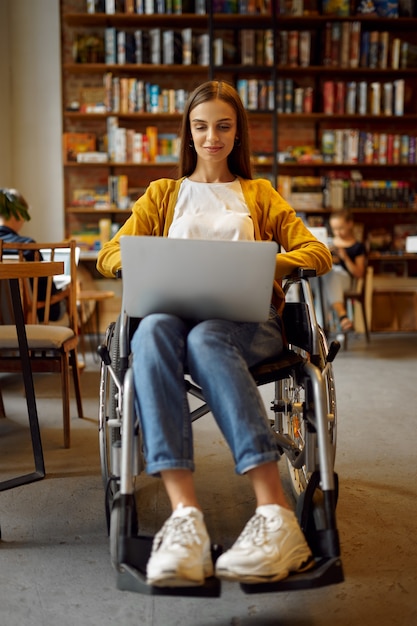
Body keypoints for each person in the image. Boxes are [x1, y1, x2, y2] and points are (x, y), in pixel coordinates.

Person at [97, 81, 332, 587]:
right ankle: (186, 521)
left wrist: (269, 264)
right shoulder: (163, 195)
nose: (212, 137)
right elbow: (110, 254)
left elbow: (317, 253)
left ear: (237, 133)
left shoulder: (259, 194)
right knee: (152, 331)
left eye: (223, 126)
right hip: (172, 320)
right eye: (201, 126)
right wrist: (144, 261)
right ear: (188, 132)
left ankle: (275, 517)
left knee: (206, 338)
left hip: (249, 326)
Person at [0, 188, 62, 321]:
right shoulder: (26, 246)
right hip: (26, 319)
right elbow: (45, 288)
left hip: (2, 320)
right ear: (18, 213)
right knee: (61, 299)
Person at [322, 208, 367, 333]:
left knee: (331, 275)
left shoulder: (357, 247)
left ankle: (323, 324)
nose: (337, 232)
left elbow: (359, 273)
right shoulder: (327, 244)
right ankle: (341, 317)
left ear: (350, 224)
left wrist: (345, 257)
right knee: (323, 274)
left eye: (340, 228)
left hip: (345, 280)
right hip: (326, 279)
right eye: (334, 229)